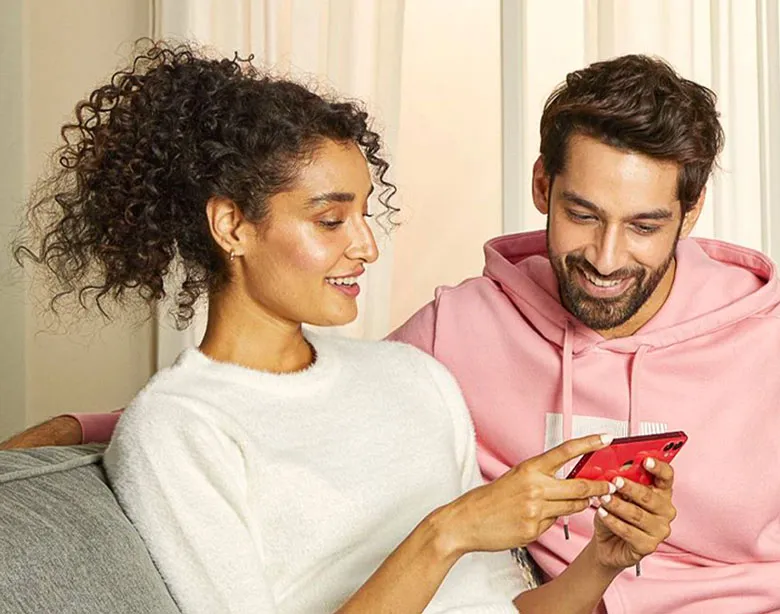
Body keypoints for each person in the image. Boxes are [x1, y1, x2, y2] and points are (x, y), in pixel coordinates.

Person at [7, 41, 676, 614]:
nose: (365, 247)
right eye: (330, 221)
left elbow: (493, 604)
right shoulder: (179, 430)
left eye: (364, 214)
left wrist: (601, 564)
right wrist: (447, 532)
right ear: (231, 225)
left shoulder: (415, 379)